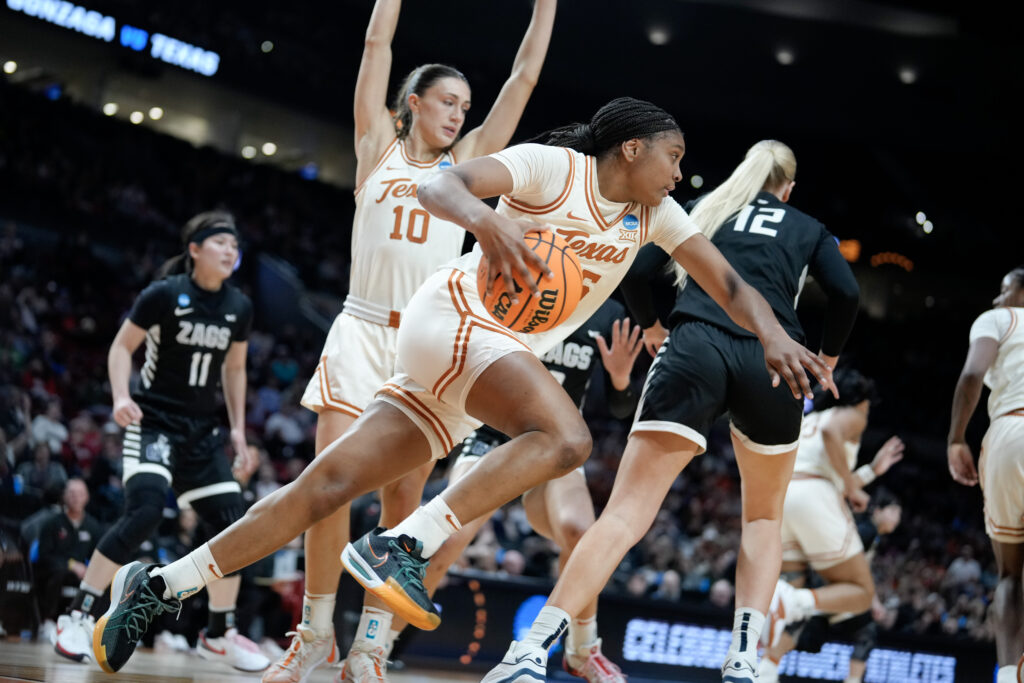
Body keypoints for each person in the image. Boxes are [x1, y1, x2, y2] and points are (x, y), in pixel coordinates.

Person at [92, 97, 835, 679]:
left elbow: (729, 283)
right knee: (567, 438)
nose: (681, 173)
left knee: (321, 490)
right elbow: (439, 181)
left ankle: (160, 585)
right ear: (631, 148)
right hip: (453, 318)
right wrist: (488, 222)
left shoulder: (656, 214)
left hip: (475, 359)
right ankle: (404, 545)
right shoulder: (552, 168)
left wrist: (774, 335)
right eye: (672, 157)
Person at [484, 139, 860, 683]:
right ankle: (745, 661)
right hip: (773, 357)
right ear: (789, 187)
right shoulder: (808, 225)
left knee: (624, 514)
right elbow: (845, 293)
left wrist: (654, 327)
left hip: (695, 346)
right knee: (762, 517)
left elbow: (639, 273)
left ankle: (529, 653)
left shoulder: (707, 212)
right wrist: (824, 360)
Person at [265, 1, 557, 680]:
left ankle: (370, 644)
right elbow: (375, 40)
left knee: (403, 504)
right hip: (360, 329)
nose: (457, 113)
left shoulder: (470, 163)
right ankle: (313, 633)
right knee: (324, 488)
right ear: (413, 103)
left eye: (465, 105)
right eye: (446, 101)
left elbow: (524, 81)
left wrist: (545, 8)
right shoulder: (377, 147)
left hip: (424, 347)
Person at [355, 299, 643, 683]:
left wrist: (621, 380)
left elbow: (622, 409)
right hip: (495, 436)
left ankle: (583, 649)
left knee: (580, 532)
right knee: (448, 542)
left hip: (557, 445)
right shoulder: (524, 290)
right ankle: (377, 650)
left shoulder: (607, 312)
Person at [54, 211, 267, 674]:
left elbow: (234, 369)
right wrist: (120, 396)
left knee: (235, 520)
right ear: (195, 250)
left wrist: (237, 428)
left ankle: (217, 633)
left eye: (235, 245)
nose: (231, 251)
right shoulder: (163, 295)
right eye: (221, 243)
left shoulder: (240, 307)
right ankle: (76, 614)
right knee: (146, 509)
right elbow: (119, 348)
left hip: (201, 432)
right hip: (154, 423)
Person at [756, 369, 904, 683]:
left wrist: (868, 473)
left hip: (783, 497)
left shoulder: (807, 420)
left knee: (792, 608)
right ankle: (794, 600)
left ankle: (765, 670)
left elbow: (819, 465)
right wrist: (853, 487)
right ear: (861, 401)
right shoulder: (851, 414)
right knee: (861, 594)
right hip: (814, 498)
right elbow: (831, 438)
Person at [948, 266, 1024, 683]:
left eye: (1005, 290)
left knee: (1011, 574)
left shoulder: (998, 319)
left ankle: (1009, 674)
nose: (998, 299)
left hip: (1011, 432)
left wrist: (956, 437)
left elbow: (973, 375)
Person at [36, 479, 102, 635]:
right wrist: (71, 565)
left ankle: (93, 622)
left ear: (87, 497)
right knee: (58, 573)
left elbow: (98, 555)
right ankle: (48, 621)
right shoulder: (52, 523)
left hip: (82, 573)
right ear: (64, 496)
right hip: (55, 570)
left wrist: (91, 570)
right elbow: (44, 555)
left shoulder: (93, 526)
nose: (76, 498)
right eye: (72, 493)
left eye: (80, 494)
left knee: (103, 577)